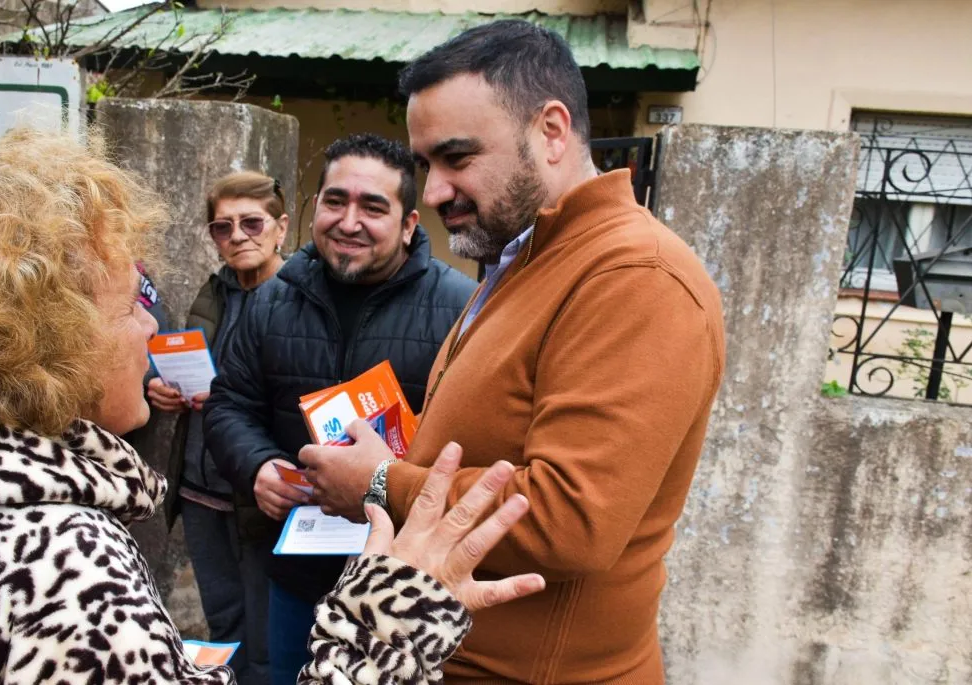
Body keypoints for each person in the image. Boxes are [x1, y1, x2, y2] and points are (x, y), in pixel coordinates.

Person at [0, 128, 543, 684]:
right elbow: (234, 403)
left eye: (373, 205)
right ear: (44, 343)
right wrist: (392, 621)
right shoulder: (62, 568)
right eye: (130, 306)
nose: (153, 329)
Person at [300, 20, 727, 684]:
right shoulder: (527, 257)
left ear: (552, 132)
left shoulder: (636, 276)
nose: (434, 191)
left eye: (457, 157)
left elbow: (571, 518)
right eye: (426, 164)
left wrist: (380, 482)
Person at [203, 133, 478, 684]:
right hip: (296, 574)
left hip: (401, 583)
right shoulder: (270, 300)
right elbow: (228, 404)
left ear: (409, 224)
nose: (348, 222)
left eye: (373, 207)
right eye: (335, 201)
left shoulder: (458, 307)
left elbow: (472, 441)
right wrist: (257, 466)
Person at [147, 171, 289, 685]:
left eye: (252, 223)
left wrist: (229, 396)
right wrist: (163, 390)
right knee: (224, 625)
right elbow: (191, 368)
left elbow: (301, 395)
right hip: (200, 489)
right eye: (222, 227)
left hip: (259, 494)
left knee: (269, 635)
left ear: (281, 227)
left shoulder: (299, 298)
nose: (238, 236)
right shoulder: (211, 293)